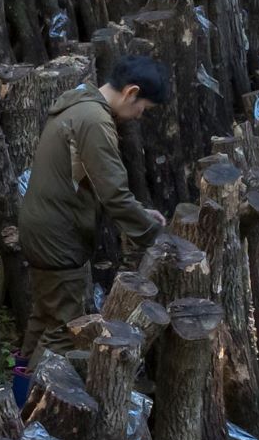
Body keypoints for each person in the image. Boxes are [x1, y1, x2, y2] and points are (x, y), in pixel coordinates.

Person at [15, 55, 170, 367]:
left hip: (41, 227)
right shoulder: (95, 121)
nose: (139, 115)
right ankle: (34, 409)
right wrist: (155, 238)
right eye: (143, 108)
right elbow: (113, 193)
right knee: (62, 330)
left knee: (44, 317)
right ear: (131, 92)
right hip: (58, 235)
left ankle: (19, 395)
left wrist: (140, 211)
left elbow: (95, 181)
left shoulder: (78, 107)